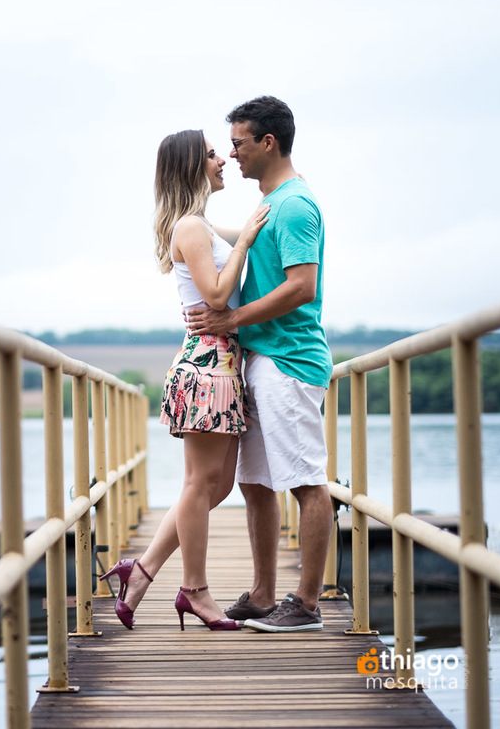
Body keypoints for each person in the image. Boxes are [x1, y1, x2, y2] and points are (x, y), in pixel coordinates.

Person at [99, 128, 268, 631]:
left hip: (224, 364)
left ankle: (143, 569)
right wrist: (249, 239)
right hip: (208, 366)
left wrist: (258, 224)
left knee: (212, 490)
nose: (223, 160)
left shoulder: (203, 227)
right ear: (192, 167)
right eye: (213, 153)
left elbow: (237, 251)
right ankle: (195, 590)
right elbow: (217, 296)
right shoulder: (190, 227)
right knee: (200, 484)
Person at [185, 95, 332, 632]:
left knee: (306, 482)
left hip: (289, 359)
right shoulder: (272, 202)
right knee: (256, 483)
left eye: (239, 143)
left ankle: (307, 604)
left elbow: (301, 286)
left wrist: (232, 320)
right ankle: (266, 595)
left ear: (268, 142)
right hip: (263, 358)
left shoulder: (294, 205)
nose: (232, 154)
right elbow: (236, 247)